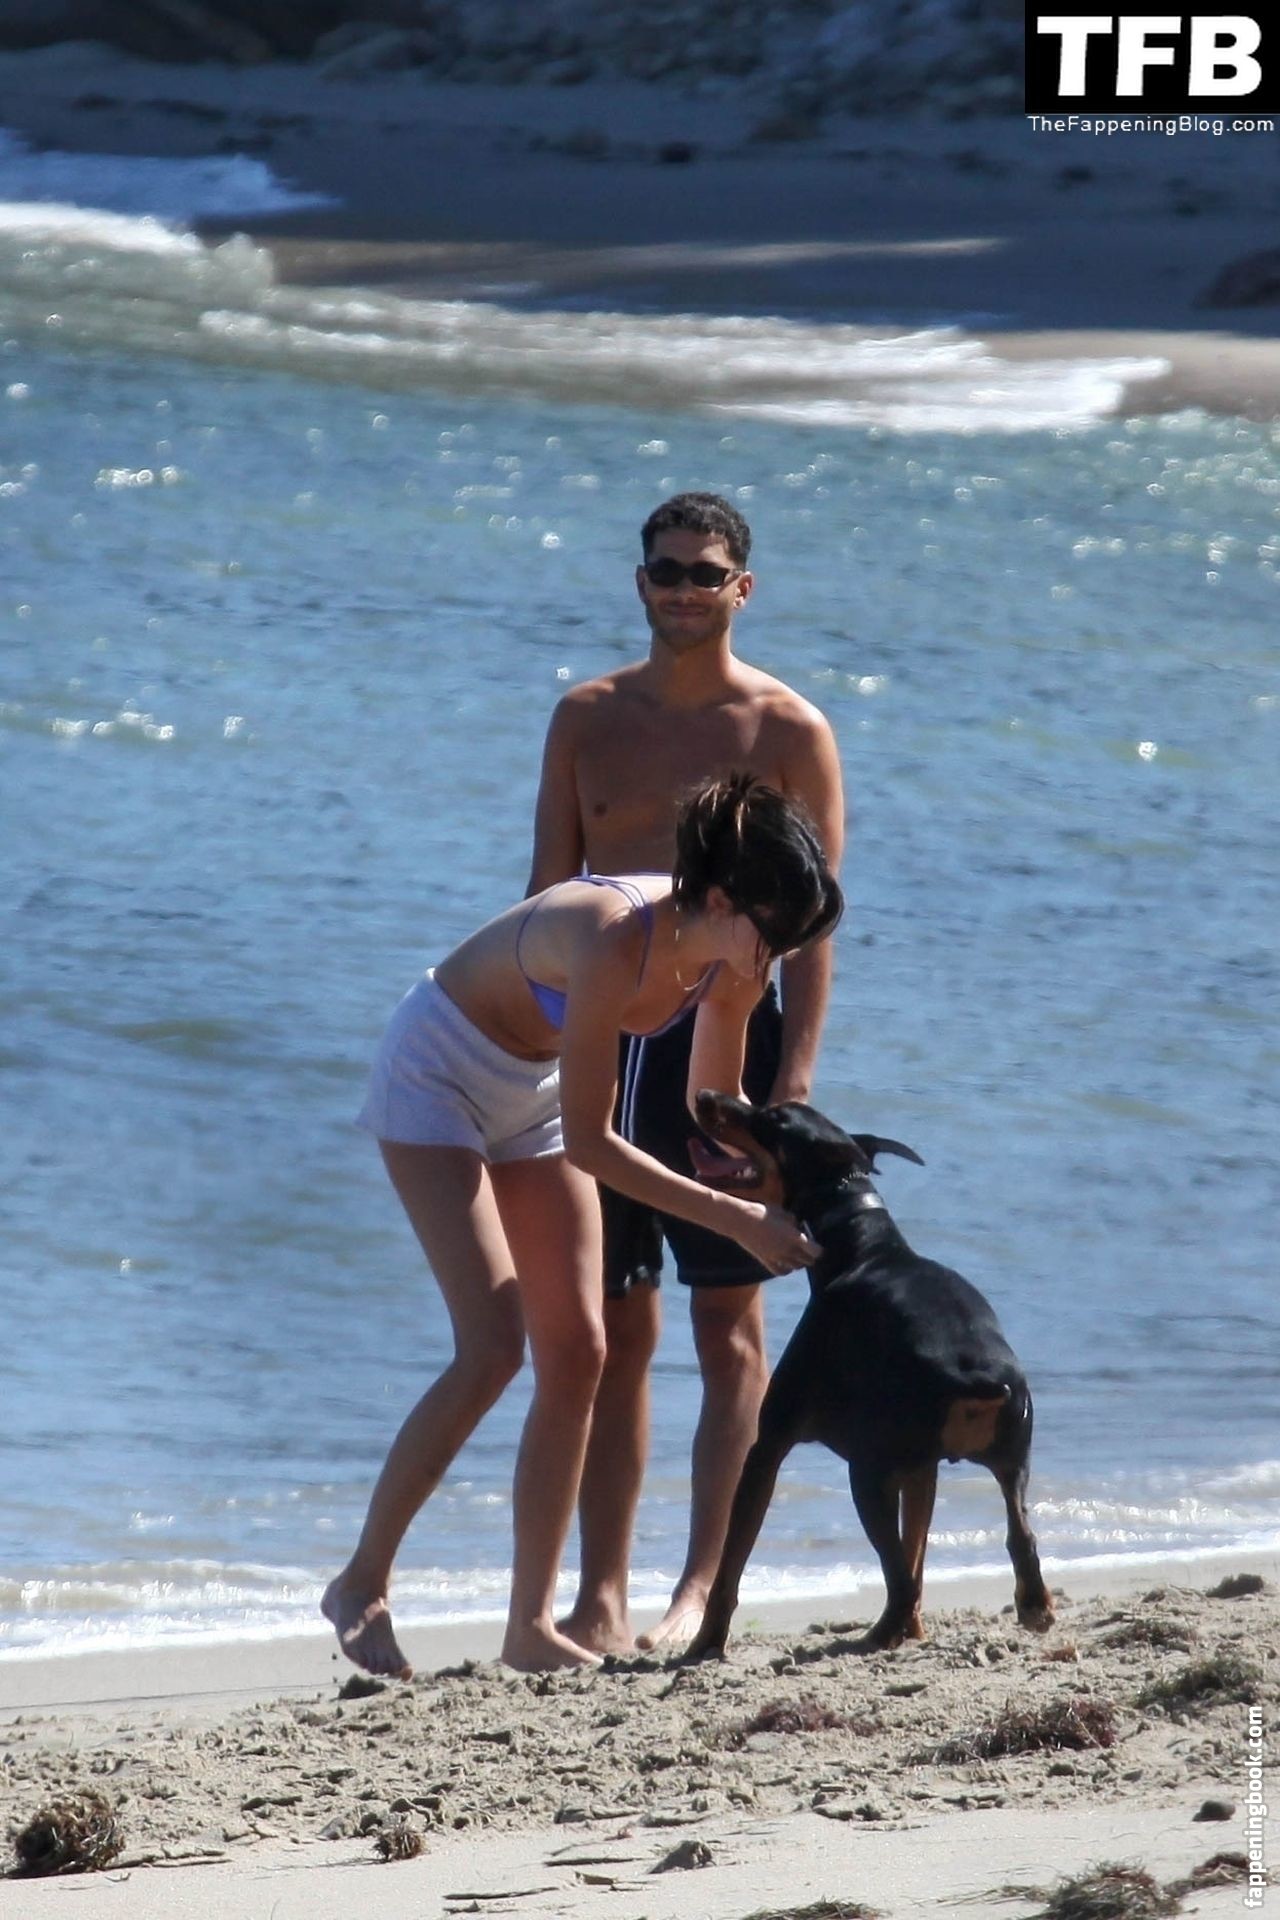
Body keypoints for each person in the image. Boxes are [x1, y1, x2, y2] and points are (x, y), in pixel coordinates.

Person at [322, 775, 842, 1677]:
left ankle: (528, 1628)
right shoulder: (615, 935)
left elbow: (709, 1107)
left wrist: (764, 1175)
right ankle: (360, 1582)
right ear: (722, 901)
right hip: (438, 1069)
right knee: (493, 1346)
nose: (780, 956)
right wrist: (734, 1217)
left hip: (532, 1093)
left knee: (581, 1351)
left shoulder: (735, 962)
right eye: (776, 933)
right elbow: (598, 1146)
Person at [528, 491, 845, 1655]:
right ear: (639, 581)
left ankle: (703, 1584)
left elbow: (809, 926)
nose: (681, 589)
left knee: (726, 1321)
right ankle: (599, 1596)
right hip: (602, 1034)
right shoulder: (585, 716)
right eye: (663, 570)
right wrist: (531, 1055)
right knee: (611, 1328)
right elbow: (544, 896)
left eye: (703, 573)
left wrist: (789, 1084)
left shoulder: (787, 730)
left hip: (729, 1040)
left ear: (740, 589)